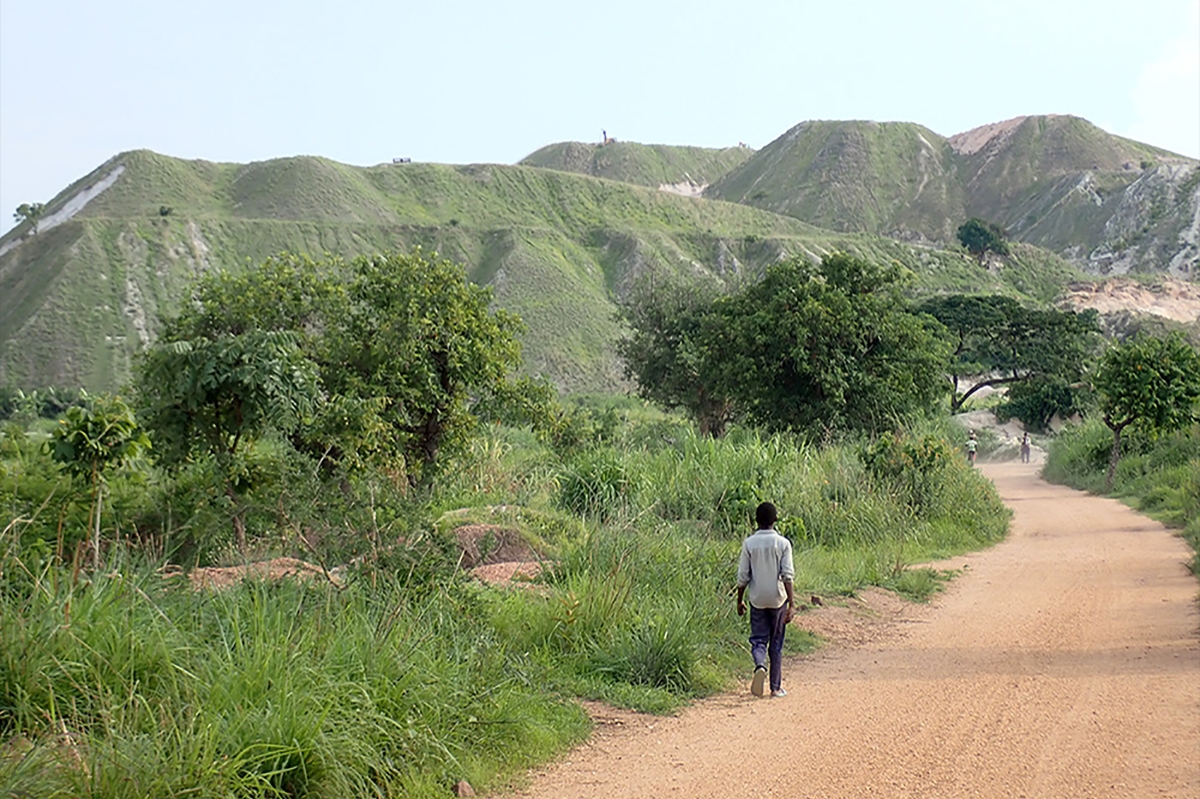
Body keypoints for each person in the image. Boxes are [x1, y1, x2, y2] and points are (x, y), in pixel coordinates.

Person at [736, 502, 795, 697]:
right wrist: (792, 603)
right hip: (778, 598)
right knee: (776, 642)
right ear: (775, 520)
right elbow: (787, 575)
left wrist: (740, 600)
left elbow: (743, 576)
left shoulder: (749, 543)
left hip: (757, 599)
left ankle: (760, 665)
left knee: (758, 640)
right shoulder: (783, 543)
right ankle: (775, 687)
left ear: (756, 521)